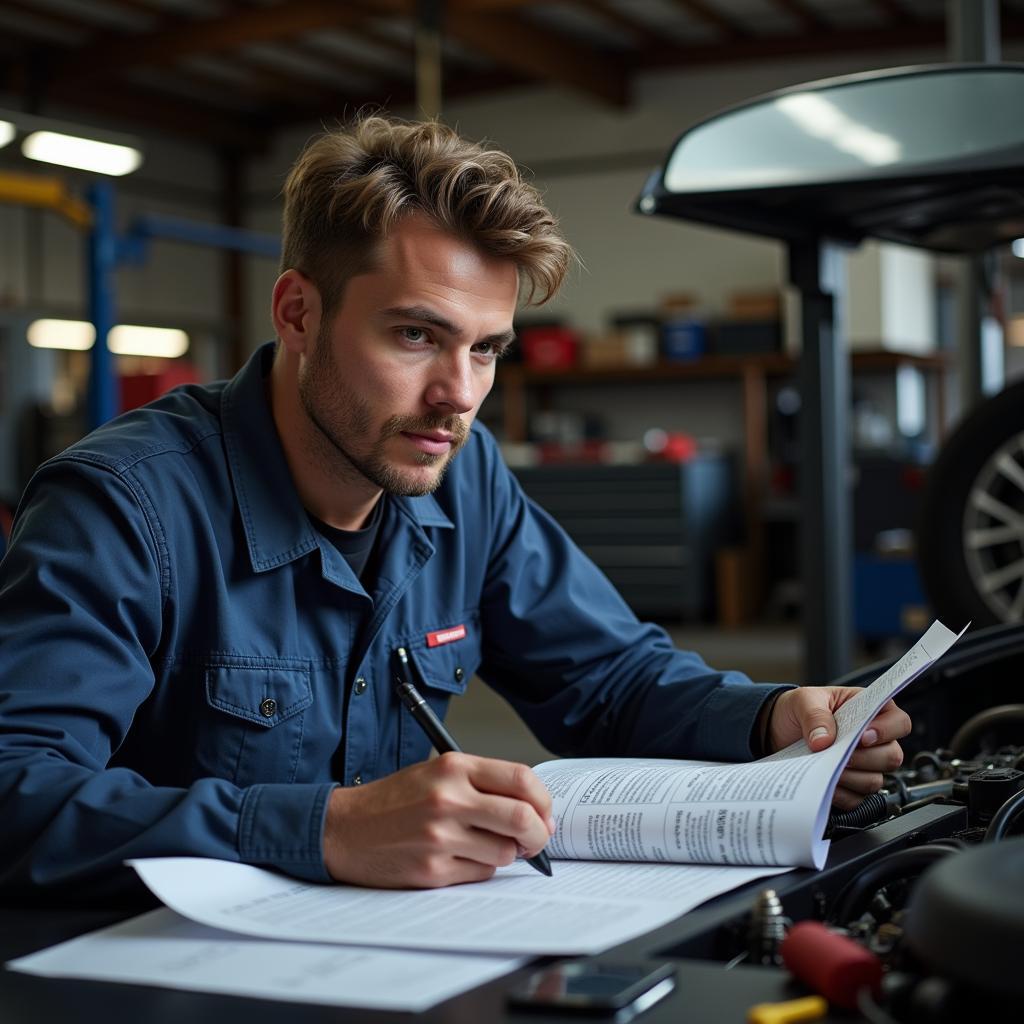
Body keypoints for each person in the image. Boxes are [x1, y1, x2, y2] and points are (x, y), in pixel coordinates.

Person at [0, 116, 910, 902]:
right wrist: (323, 829)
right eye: (416, 335)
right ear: (298, 313)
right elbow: (15, 792)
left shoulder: (462, 482)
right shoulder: (125, 507)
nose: (458, 395)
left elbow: (611, 679)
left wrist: (773, 718)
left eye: (486, 350)